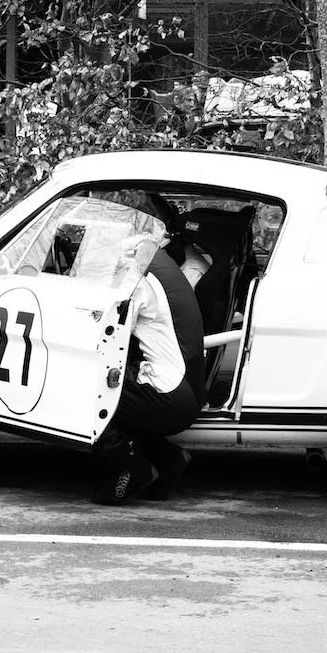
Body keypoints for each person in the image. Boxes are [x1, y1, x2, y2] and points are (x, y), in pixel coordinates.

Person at [92, 208, 206, 506]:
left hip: (167, 395)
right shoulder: (162, 269)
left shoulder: (138, 278)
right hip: (183, 393)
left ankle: (130, 469)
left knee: (92, 387)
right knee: (126, 386)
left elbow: (107, 330)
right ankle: (168, 459)